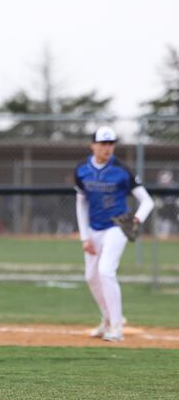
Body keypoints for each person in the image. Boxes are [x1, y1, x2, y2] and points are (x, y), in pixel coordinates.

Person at [74, 126, 153, 342]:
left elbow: (147, 201)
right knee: (91, 276)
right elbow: (81, 203)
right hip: (93, 228)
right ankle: (107, 319)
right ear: (93, 145)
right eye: (103, 144)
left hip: (117, 226)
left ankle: (117, 328)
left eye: (110, 144)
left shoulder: (122, 170)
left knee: (106, 271)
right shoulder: (82, 170)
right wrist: (84, 236)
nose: (107, 148)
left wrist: (137, 218)